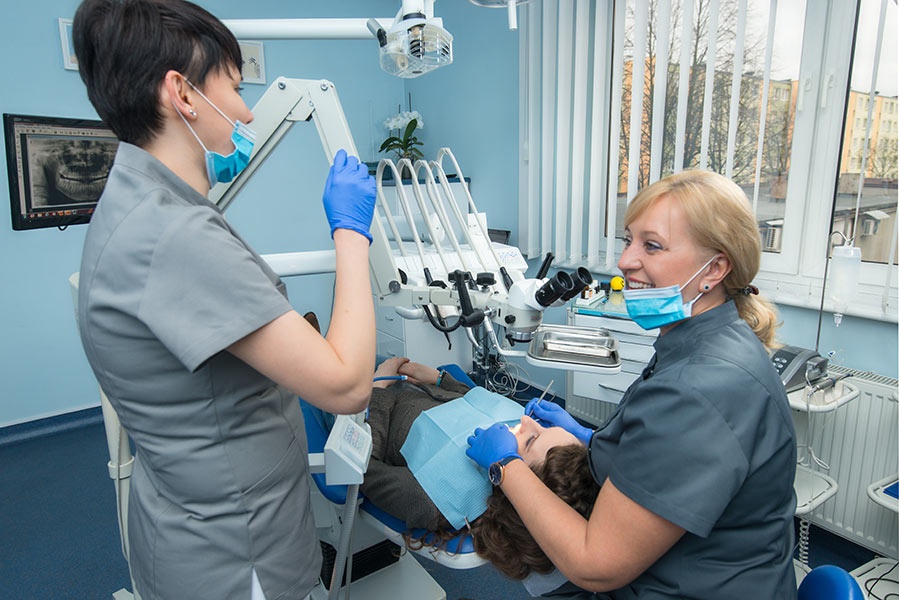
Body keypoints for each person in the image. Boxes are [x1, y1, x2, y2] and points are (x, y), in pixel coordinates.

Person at [72, 1, 377, 599]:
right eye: (235, 88)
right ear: (182, 95)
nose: (245, 111)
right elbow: (346, 385)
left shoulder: (139, 200)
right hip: (236, 555)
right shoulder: (174, 234)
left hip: (194, 514)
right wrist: (351, 235)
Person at [467, 170, 798, 599]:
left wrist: (505, 467)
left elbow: (595, 567)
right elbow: (674, 458)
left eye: (652, 246)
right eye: (628, 241)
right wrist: (595, 442)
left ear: (714, 269)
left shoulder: (701, 386)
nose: (625, 261)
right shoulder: (702, 340)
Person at [361, 357, 597, 580]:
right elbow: (478, 405)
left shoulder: (437, 500)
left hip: (372, 406)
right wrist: (439, 379)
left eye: (532, 439)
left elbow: (365, 466)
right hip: (422, 386)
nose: (526, 420)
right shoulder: (510, 434)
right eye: (544, 426)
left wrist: (378, 387)